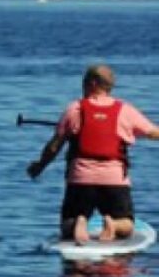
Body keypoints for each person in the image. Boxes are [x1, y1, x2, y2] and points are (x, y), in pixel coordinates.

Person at [27, 64, 159, 244]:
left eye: (84, 83)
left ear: (93, 84)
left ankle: (78, 222)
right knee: (128, 226)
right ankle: (114, 224)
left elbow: (54, 146)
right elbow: (153, 133)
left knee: (66, 226)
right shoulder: (125, 111)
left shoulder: (74, 109)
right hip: (114, 180)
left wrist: (39, 166)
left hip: (80, 180)